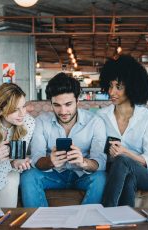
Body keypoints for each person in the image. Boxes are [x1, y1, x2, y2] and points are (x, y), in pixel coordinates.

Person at [21, 72, 107, 207]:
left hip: (82, 176)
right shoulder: (41, 122)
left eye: (68, 104)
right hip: (54, 175)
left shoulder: (95, 122)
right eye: (57, 105)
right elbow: (36, 158)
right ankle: (39, 224)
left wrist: (83, 162)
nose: (63, 111)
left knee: (101, 178)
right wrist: (50, 161)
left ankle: (86, 223)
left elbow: (100, 162)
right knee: (29, 176)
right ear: (51, 103)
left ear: (77, 101)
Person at [97, 55, 148, 207]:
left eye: (118, 87)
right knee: (128, 179)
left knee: (123, 161)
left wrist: (125, 153)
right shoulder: (101, 116)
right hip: (116, 173)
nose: (112, 92)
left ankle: (107, 211)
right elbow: (97, 153)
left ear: (132, 87)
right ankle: (126, 222)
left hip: (146, 175)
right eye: (110, 86)